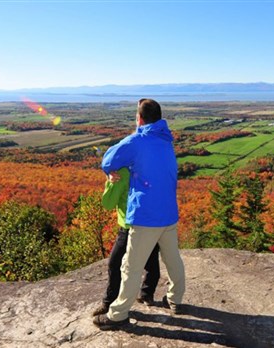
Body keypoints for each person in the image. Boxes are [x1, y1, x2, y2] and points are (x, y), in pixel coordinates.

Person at [93, 98, 186, 330]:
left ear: (140, 119)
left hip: (147, 215)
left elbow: (109, 159)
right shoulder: (166, 141)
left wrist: (109, 172)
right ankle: (175, 299)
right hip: (168, 213)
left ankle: (117, 314)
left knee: (130, 266)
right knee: (173, 259)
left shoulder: (137, 140)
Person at [91, 166, 160, 316]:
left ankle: (109, 302)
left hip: (129, 226)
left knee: (115, 264)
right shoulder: (147, 167)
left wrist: (110, 182)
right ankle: (147, 294)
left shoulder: (120, 174)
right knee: (151, 261)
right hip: (150, 222)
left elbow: (108, 204)